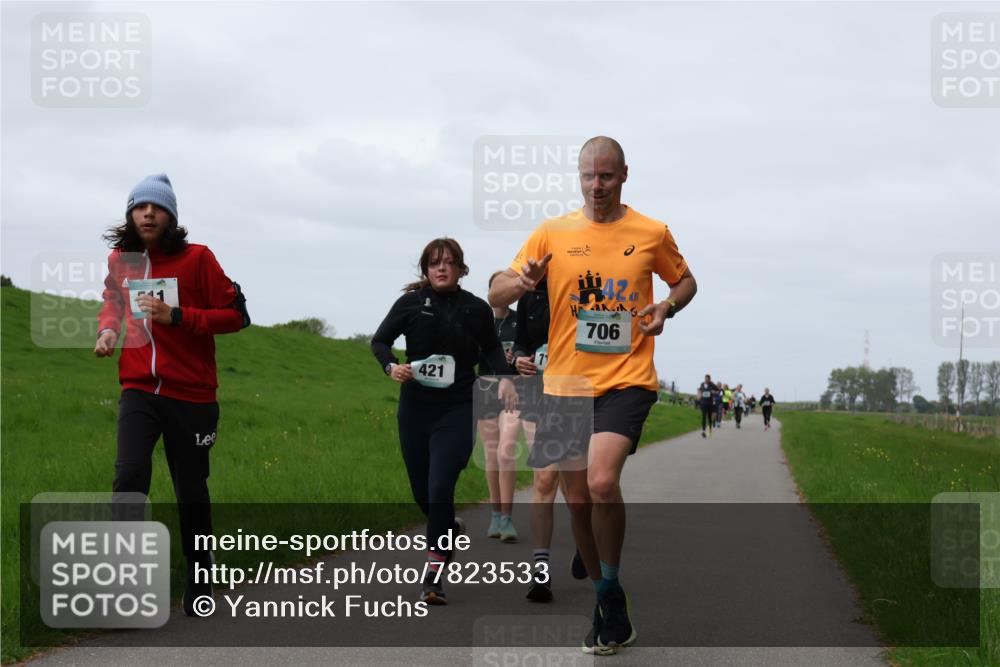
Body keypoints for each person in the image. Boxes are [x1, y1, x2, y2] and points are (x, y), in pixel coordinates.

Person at [488, 136, 697, 654]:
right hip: (564, 384)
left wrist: (667, 307)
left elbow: (686, 281)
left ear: (624, 174)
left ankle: (606, 588)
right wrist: (522, 285)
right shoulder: (553, 232)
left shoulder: (650, 231)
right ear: (577, 177)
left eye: (606, 176)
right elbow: (495, 291)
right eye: (588, 176)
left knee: (602, 482)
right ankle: (609, 598)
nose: (597, 185)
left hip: (627, 380)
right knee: (575, 499)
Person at [95, 174, 249, 616]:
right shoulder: (121, 261)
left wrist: (177, 315)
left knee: (190, 489)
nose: (148, 213)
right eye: (140, 207)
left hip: (193, 395)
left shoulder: (198, 259)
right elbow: (114, 300)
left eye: (157, 207)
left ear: (171, 216)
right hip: (139, 389)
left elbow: (236, 316)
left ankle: (200, 572)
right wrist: (108, 330)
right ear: (130, 214)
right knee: (129, 478)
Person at [371, 238, 515, 605]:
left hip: (458, 408)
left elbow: (493, 349)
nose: (441, 268)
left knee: (439, 490)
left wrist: (504, 380)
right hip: (416, 408)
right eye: (434, 263)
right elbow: (380, 342)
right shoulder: (410, 304)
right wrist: (392, 367)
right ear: (425, 269)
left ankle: (432, 577)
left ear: (461, 269)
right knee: (422, 493)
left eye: (449, 262)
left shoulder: (476, 309)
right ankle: (448, 530)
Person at [478, 271, 522, 543]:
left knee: (507, 451)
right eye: (496, 287)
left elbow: (529, 349)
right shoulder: (480, 320)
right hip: (484, 387)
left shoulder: (519, 321)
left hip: (513, 390)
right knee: (491, 454)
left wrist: (516, 357)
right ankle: (495, 516)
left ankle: (507, 518)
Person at [697, 374, 717, 438]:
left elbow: (717, 391)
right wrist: (699, 396)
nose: (706, 380)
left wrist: (714, 392)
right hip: (703, 403)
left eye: (707, 379)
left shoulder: (712, 385)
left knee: (709, 417)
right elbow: (700, 390)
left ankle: (710, 429)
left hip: (710, 403)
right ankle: (703, 431)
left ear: (709, 379)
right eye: (705, 378)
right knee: (703, 416)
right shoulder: (702, 384)